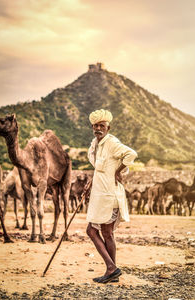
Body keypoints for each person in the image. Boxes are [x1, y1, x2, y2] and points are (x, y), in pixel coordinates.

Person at [86, 109, 137, 284]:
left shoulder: (111, 143)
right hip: (101, 194)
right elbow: (100, 170)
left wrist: (117, 171)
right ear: (92, 127)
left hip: (109, 195)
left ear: (108, 127)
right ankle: (112, 272)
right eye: (95, 125)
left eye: (102, 125)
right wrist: (90, 182)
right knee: (107, 233)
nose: (98, 128)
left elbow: (131, 154)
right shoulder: (96, 144)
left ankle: (111, 268)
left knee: (92, 231)